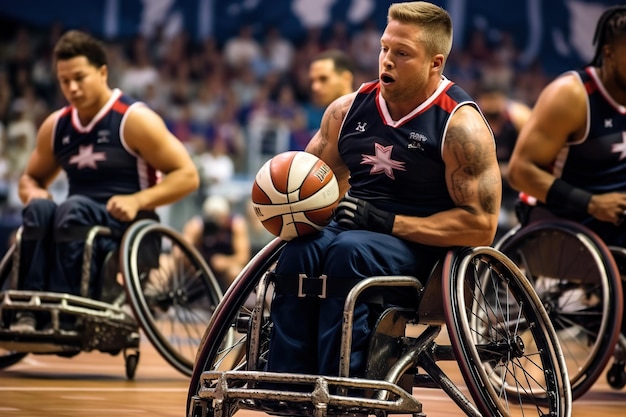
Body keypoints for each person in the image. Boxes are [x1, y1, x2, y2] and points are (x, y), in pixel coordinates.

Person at [266, 1, 500, 378]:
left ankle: (345, 383)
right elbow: (309, 180)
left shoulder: (461, 126)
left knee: (348, 251)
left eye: (402, 53)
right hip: (355, 231)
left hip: (423, 251)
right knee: (301, 250)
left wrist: (388, 222)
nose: (386, 60)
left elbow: (480, 225)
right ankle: (286, 378)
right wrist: (282, 200)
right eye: (384, 48)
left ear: (435, 63)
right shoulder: (345, 111)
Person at [10, 30, 200, 331]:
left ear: (102, 72)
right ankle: (28, 311)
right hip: (75, 216)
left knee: (72, 208)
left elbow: (188, 175)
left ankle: (66, 310)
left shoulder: (133, 119)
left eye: (79, 77)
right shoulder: (56, 126)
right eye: (64, 80)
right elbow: (30, 178)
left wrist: (137, 200)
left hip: (128, 223)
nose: (71, 87)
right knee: (40, 211)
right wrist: (32, 192)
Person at [506, 6, 626, 329]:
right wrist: (591, 202)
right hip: (560, 217)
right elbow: (520, 171)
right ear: (609, 52)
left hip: (613, 220)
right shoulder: (572, 95)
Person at [476, 85, 532, 236]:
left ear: (503, 100)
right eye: (487, 100)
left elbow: (533, 159)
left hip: (514, 181)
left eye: (495, 99)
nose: (491, 104)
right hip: (483, 183)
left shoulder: (520, 117)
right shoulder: (473, 118)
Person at [182, 195, 250, 290]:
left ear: (226, 215)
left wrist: (225, 262)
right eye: (213, 217)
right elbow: (181, 250)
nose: (217, 221)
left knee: (235, 272)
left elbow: (243, 257)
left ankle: (232, 302)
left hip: (225, 267)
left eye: (220, 217)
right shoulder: (198, 225)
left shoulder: (235, 225)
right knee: (170, 262)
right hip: (202, 265)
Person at [304, 49, 356, 137]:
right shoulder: (316, 118)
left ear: (346, 78)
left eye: (323, 79)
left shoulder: (367, 115)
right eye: (312, 81)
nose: (315, 87)